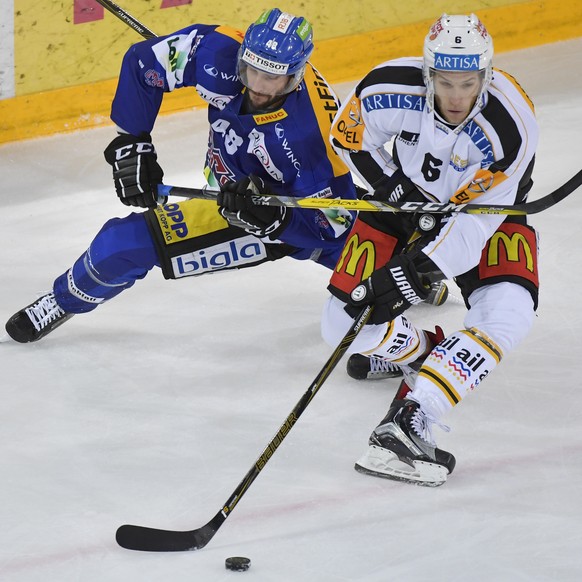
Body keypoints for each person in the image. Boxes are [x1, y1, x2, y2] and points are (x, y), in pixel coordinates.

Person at [4, 8, 360, 343]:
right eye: (251, 70)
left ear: (295, 74)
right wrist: (134, 142)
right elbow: (144, 63)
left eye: (271, 78)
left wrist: (273, 221)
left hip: (287, 210)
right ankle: (63, 300)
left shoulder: (311, 139)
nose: (257, 86)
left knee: (382, 267)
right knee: (118, 246)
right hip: (230, 192)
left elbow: (334, 222)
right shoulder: (218, 52)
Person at [321, 13, 539, 486]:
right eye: (445, 81)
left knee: (509, 313)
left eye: (469, 82)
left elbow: (468, 236)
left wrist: (411, 276)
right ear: (427, 73)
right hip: (402, 205)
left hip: (481, 215)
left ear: (487, 74)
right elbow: (348, 137)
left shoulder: (512, 126)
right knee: (338, 323)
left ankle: (415, 415)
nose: (457, 96)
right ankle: (419, 351)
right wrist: (390, 185)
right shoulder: (388, 88)